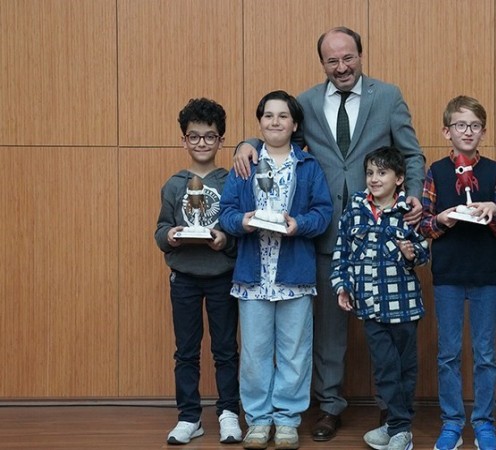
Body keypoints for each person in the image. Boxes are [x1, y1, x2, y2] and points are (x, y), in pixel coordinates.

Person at [233, 26, 425, 441]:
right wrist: (246, 143)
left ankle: (392, 411)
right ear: (322, 63)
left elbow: (411, 153)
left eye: (348, 57)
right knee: (328, 332)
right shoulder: (305, 102)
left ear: (361, 55)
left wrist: (414, 194)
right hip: (325, 234)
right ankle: (330, 405)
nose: (341, 67)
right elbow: (279, 133)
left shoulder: (387, 96)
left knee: (388, 327)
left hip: (382, 236)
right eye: (332, 60)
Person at [219, 90, 332, 450]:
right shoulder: (245, 163)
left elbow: (323, 213)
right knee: (254, 353)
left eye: (283, 116)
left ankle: (286, 419)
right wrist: (243, 221)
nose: (275, 122)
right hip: (253, 276)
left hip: (294, 275)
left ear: (295, 124)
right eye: (268, 115)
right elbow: (226, 212)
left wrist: (300, 225)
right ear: (260, 122)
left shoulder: (308, 166)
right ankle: (258, 419)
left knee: (294, 352)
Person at [419, 96, 496, 450]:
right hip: (448, 275)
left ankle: (484, 423)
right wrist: (443, 219)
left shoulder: (493, 169)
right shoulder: (437, 171)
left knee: (485, 354)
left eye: (474, 126)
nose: (467, 132)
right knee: (449, 354)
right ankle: (452, 423)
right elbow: (425, 225)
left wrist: (493, 211)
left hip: (485, 273)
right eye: (460, 125)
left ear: (483, 132)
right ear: (447, 132)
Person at [155, 98, 242, 445]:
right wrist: (170, 236)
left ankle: (229, 412)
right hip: (185, 278)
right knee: (186, 350)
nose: (202, 142)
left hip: (222, 277)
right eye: (194, 136)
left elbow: (238, 231)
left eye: (210, 136)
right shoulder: (174, 184)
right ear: (184, 141)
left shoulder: (232, 182)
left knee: (226, 349)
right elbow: (161, 229)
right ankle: (189, 416)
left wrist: (225, 240)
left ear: (221, 140)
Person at [330, 146, 429, 450]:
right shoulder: (354, 209)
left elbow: (423, 250)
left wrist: (412, 254)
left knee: (404, 368)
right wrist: (342, 286)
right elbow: (341, 253)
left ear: (399, 178)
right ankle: (398, 426)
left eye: (382, 173)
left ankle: (398, 427)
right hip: (370, 307)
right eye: (370, 172)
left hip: (404, 307)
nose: (374, 178)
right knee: (385, 367)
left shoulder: (408, 212)